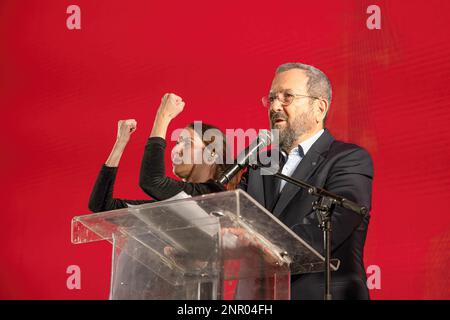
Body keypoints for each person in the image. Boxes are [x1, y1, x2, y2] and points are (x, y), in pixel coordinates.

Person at [237, 62, 374, 300]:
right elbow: (232, 220)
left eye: (287, 97)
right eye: (271, 99)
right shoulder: (258, 165)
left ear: (319, 107)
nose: (275, 106)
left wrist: (268, 247)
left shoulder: (349, 159)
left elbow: (328, 224)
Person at [88, 93, 240, 299]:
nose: (175, 150)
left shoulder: (214, 198)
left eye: (185, 143)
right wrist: (120, 142)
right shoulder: (176, 202)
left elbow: (152, 181)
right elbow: (102, 205)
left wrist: (163, 116)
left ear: (211, 153)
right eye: (176, 143)